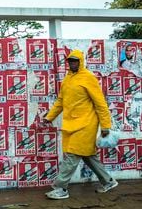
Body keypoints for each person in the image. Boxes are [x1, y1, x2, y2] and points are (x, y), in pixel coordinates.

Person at [41, 49, 117, 200]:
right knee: (87, 155)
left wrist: (105, 125)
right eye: (70, 61)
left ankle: (61, 188)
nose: (72, 63)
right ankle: (108, 181)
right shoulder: (67, 79)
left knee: (72, 155)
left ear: (81, 61)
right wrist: (49, 117)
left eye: (75, 61)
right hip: (70, 125)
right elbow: (60, 101)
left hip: (86, 124)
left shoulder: (88, 78)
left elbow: (100, 103)